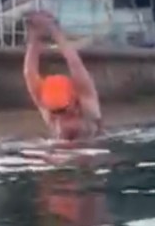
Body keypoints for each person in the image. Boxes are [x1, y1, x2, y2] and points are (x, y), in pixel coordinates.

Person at [23, 11, 102, 141]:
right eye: (55, 112)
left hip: (89, 146)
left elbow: (75, 64)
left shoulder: (88, 105)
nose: (60, 117)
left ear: (74, 102)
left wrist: (55, 31)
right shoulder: (49, 112)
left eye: (64, 111)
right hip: (59, 149)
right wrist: (34, 36)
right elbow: (29, 73)